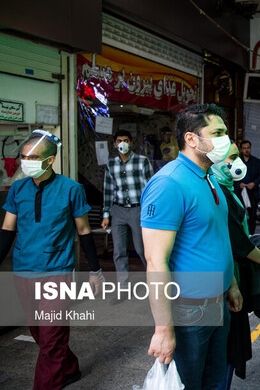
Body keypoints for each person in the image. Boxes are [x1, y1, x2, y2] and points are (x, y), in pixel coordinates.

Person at [141, 104, 243, 389]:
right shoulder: (169, 183)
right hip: (188, 310)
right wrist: (163, 329)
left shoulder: (210, 176)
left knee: (215, 380)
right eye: (218, 132)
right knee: (190, 383)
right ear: (191, 139)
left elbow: (217, 236)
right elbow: (155, 261)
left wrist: (231, 284)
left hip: (218, 302)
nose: (226, 140)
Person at [0, 130, 103, 389]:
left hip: (57, 271)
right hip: (23, 269)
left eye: (33, 157)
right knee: (41, 334)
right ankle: (69, 367)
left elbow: (84, 231)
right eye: (24, 156)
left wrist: (95, 270)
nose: (26, 162)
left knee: (51, 336)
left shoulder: (71, 189)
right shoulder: (18, 189)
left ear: (50, 160)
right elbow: (7, 230)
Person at [211, 142, 260, 389]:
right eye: (233, 157)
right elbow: (237, 240)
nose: (238, 162)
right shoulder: (218, 192)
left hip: (229, 272)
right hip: (225, 275)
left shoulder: (223, 187)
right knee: (229, 344)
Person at [101, 129, 153, 287]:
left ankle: (154, 282)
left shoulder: (141, 161)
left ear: (131, 143)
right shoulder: (111, 164)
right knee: (119, 251)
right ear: (114, 144)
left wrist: (149, 211)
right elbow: (108, 190)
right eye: (119, 141)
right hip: (118, 210)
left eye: (126, 140)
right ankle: (122, 286)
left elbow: (150, 188)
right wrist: (105, 215)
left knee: (141, 248)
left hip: (138, 209)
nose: (122, 143)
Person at [233, 140, 260, 235]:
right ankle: (242, 234)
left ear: (251, 149)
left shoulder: (256, 161)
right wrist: (239, 184)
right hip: (240, 192)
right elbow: (231, 176)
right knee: (240, 214)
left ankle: (251, 235)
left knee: (252, 215)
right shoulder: (236, 162)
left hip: (252, 192)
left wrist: (254, 183)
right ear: (241, 150)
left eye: (248, 148)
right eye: (244, 148)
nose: (246, 150)